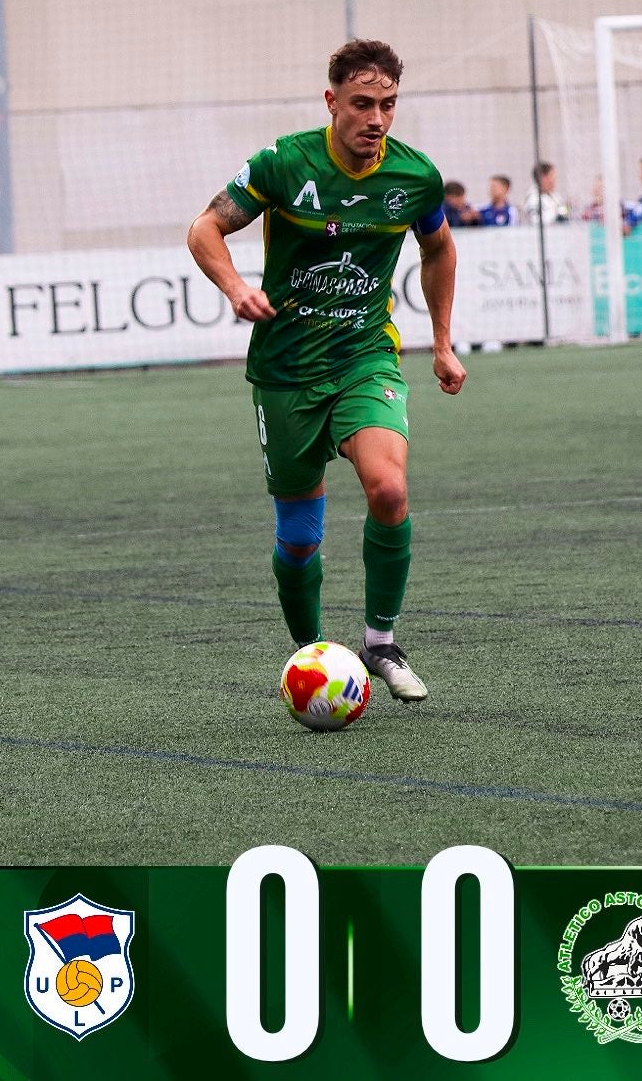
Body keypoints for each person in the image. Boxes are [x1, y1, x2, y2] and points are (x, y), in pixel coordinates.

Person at [187, 39, 467, 703]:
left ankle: (380, 642)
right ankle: (311, 657)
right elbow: (204, 228)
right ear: (332, 101)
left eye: (388, 105)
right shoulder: (285, 163)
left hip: (365, 356)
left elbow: (439, 248)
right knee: (298, 540)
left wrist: (442, 342)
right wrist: (236, 289)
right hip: (285, 370)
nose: (377, 119)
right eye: (362, 104)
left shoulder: (415, 177)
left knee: (389, 490)